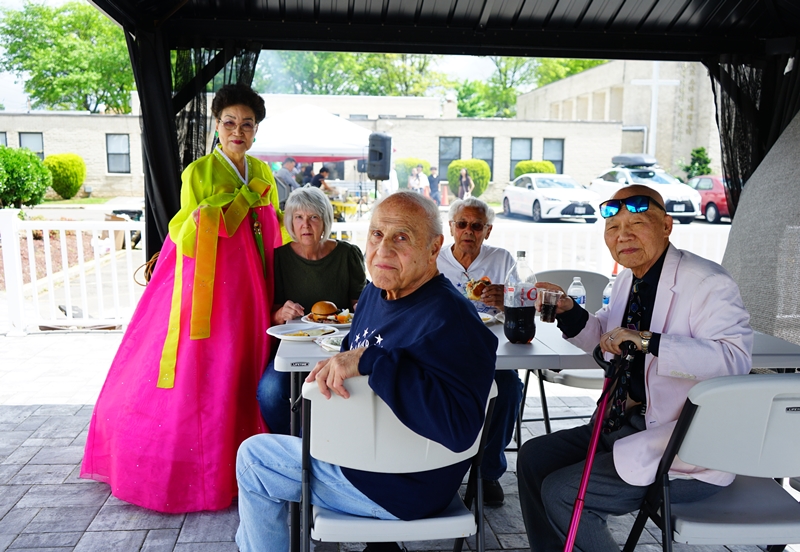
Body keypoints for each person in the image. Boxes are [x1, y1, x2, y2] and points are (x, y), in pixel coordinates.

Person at [235, 191, 497, 552]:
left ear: (434, 247)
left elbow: (460, 430)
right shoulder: (376, 292)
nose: (383, 250)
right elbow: (353, 360)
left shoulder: (454, 322)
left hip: (405, 488)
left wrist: (372, 360)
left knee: (254, 460)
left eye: (401, 237)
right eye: (376, 234)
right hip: (360, 457)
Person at [81, 83, 284, 513]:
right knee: (210, 366)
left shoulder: (264, 173)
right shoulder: (199, 172)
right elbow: (189, 233)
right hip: (211, 287)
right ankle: (200, 468)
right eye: (229, 122)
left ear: (256, 130)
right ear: (216, 126)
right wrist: (236, 203)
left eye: (247, 124)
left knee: (246, 362)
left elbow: (275, 230)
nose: (238, 131)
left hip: (254, 286)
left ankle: (248, 463)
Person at [516, 185, 753, 552]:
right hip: (620, 426)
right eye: (613, 228)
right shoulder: (628, 278)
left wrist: (648, 341)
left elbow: (734, 359)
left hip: (681, 446)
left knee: (563, 493)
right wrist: (568, 311)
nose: (622, 235)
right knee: (534, 458)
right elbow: (607, 338)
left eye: (637, 223)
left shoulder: (707, 282)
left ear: (667, 226)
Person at [256, 186, 367, 435]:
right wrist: (280, 314)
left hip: (339, 346)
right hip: (293, 346)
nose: (305, 225)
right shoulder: (278, 258)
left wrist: (360, 307)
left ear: (324, 220)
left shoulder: (348, 254)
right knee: (270, 392)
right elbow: (268, 315)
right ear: (290, 222)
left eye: (313, 217)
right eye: (299, 217)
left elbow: (359, 304)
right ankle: (298, 443)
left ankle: (329, 442)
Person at [436, 197, 522, 507]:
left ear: (488, 230)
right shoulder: (434, 259)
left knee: (508, 388)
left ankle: (488, 472)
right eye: (462, 224)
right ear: (451, 228)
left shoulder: (502, 260)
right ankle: (439, 469)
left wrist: (508, 301)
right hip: (443, 346)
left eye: (476, 226)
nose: (468, 231)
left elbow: (525, 307)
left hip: (492, 344)